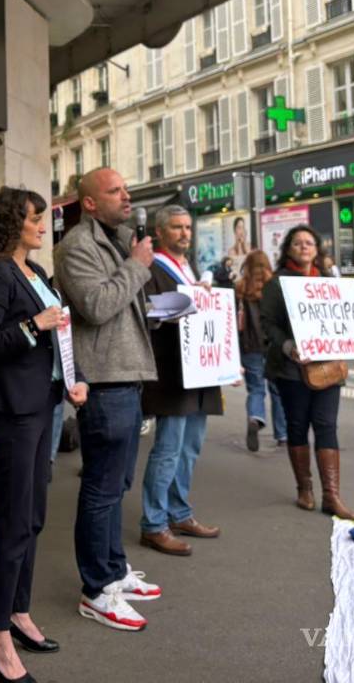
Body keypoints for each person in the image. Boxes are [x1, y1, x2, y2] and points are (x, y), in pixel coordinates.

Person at [0, 186, 89, 681]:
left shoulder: (36, 273)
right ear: (12, 223)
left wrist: (71, 380)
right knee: (14, 521)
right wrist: (32, 325)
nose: (44, 225)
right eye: (36, 218)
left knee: (34, 517)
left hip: (45, 405)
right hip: (15, 413)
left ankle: (18, 613)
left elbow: (55, 335)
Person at [54, 167, 162, 633]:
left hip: (127, 374)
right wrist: (137, 265)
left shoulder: (117, 240)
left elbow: (121, 305)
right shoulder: (76, 246)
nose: (127, 195)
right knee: (101, 488)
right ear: (91, 203)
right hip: (104, 379)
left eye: (126, 187)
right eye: (115, 190)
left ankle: (115, 570)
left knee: (117, 485)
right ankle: (96, 589)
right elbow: (97, 306)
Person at [139, 205, 223, 558]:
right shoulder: (150, 267)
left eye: (188, 227)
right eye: (176, 227)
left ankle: (179, 512)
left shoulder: (188, 268)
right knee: (169, 450)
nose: (184, 233)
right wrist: (177, 307)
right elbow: (144, 313)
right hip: (172, 371)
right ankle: (154, 523)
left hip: (199, 372)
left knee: (189, 449)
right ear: (160, 232)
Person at [259, 224, 354, 520]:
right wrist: (288, 346)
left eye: (309, 243)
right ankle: (305, 489)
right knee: (298, 426)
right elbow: (268, 323)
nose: (304, 247)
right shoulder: (277, 283)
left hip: (328, 367)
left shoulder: (329, 281)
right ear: (289, 249)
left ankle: (332, 496)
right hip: (292, 369)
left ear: (317, 249)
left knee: (327, 425)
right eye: (298, 243)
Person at [237, 249, 287, 451]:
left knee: (256, 388)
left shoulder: (239, 289)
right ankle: (283, 434)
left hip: (249, 347)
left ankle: (255, 418)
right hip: (272, 346)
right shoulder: (275, 287)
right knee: (277, 391)